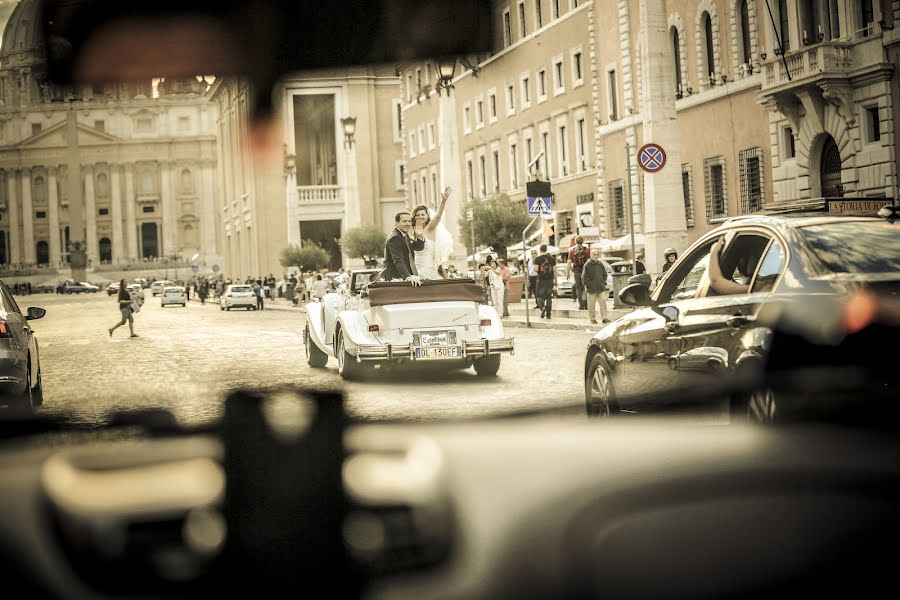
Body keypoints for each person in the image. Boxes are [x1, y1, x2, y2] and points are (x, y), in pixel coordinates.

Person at [412, 186, 454, 279]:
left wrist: (443, 201)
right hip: (415, 269)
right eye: (418, 215)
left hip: (427, 269)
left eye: (423, 214)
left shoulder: (430, 228)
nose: (420, 217)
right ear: (414, 217)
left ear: (427, 216)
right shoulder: (413, 232)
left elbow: (438, 216)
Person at [382, 210, 425, 285]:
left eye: (409, 221)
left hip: (402, 278)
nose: (408, 224)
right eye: (404, 221)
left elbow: (418, 247)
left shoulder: (404, 235)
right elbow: (398, 259)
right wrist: (408, 277)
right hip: (394, 279)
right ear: (396, 223)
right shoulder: (394, 238)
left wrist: (419, 235)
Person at [582, 249, 610, 325]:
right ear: (590, 255)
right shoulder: (587, 265)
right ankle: (592, 319)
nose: (596, 256)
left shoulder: (600, 264)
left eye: (597, 254)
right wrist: (589, 285)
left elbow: (605, 274)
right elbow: (584, 278)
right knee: (591, 305)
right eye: (594, 254)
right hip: (591, 289)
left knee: (603, 303)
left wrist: (603, 282)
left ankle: (604, 318)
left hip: (600, 287)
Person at [567, 236, 591, 310]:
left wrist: (568, 273)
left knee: (578, 289)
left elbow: (568, 263)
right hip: (586, 271)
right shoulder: (587, 250)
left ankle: (581, 305)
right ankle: (586, 304)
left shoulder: (572, 251)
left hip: (577, 272)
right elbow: (591, 261)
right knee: (585, 288)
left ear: (575, 241)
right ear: (583, 241)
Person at [534, 245, 555, 319]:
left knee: (539, 296)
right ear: (546, 250)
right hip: (550, 280)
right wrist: (555, 280)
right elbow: (554, 270)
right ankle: (548, 315)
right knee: (549, 297)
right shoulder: (552, 258)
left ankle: (542, 308)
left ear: (540, 250)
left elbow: (536, 269)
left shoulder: (537, 259)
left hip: (541, 280)